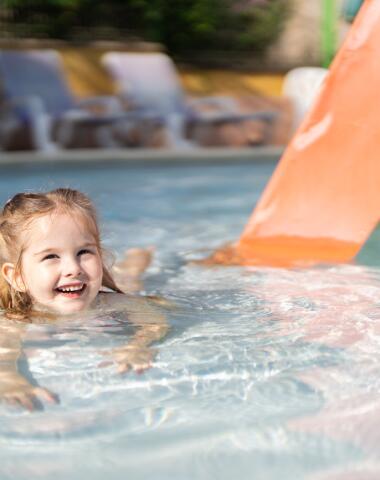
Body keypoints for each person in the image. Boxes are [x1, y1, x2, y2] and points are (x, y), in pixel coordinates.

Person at [0, 188, 168, 411]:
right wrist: (9, 379)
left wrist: (137, 345)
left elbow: (155, 322)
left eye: (84, 252)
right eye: (51, 256)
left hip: (115, 291)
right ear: (17, 277)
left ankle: (136, 261)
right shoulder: (17, 320)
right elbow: (3, 355)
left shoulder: (113, 304)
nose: (73, 268)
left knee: (131, 281)